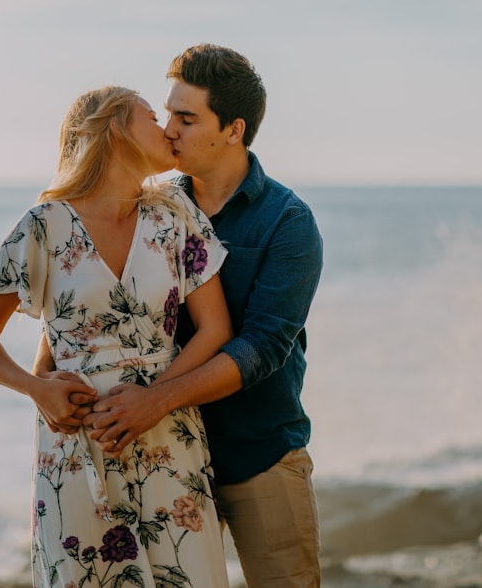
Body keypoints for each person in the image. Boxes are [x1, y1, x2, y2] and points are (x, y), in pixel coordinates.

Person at [0, 85, 233, 587]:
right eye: (152, 116)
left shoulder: (175, 216)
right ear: (117, 128)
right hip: (76, 445)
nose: (168, 128)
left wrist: (155, 399)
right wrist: (36, 388)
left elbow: (216, 329)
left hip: (168, 438)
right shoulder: (43, 226)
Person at [81, 45, 325, 586]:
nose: (169, 130)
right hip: (165, 457)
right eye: (168, 114)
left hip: (259, 454)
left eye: (187, 119)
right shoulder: (152, 205)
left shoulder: (288, 222)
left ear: (234, 129)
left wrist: (155, 399)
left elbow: (261, 348)